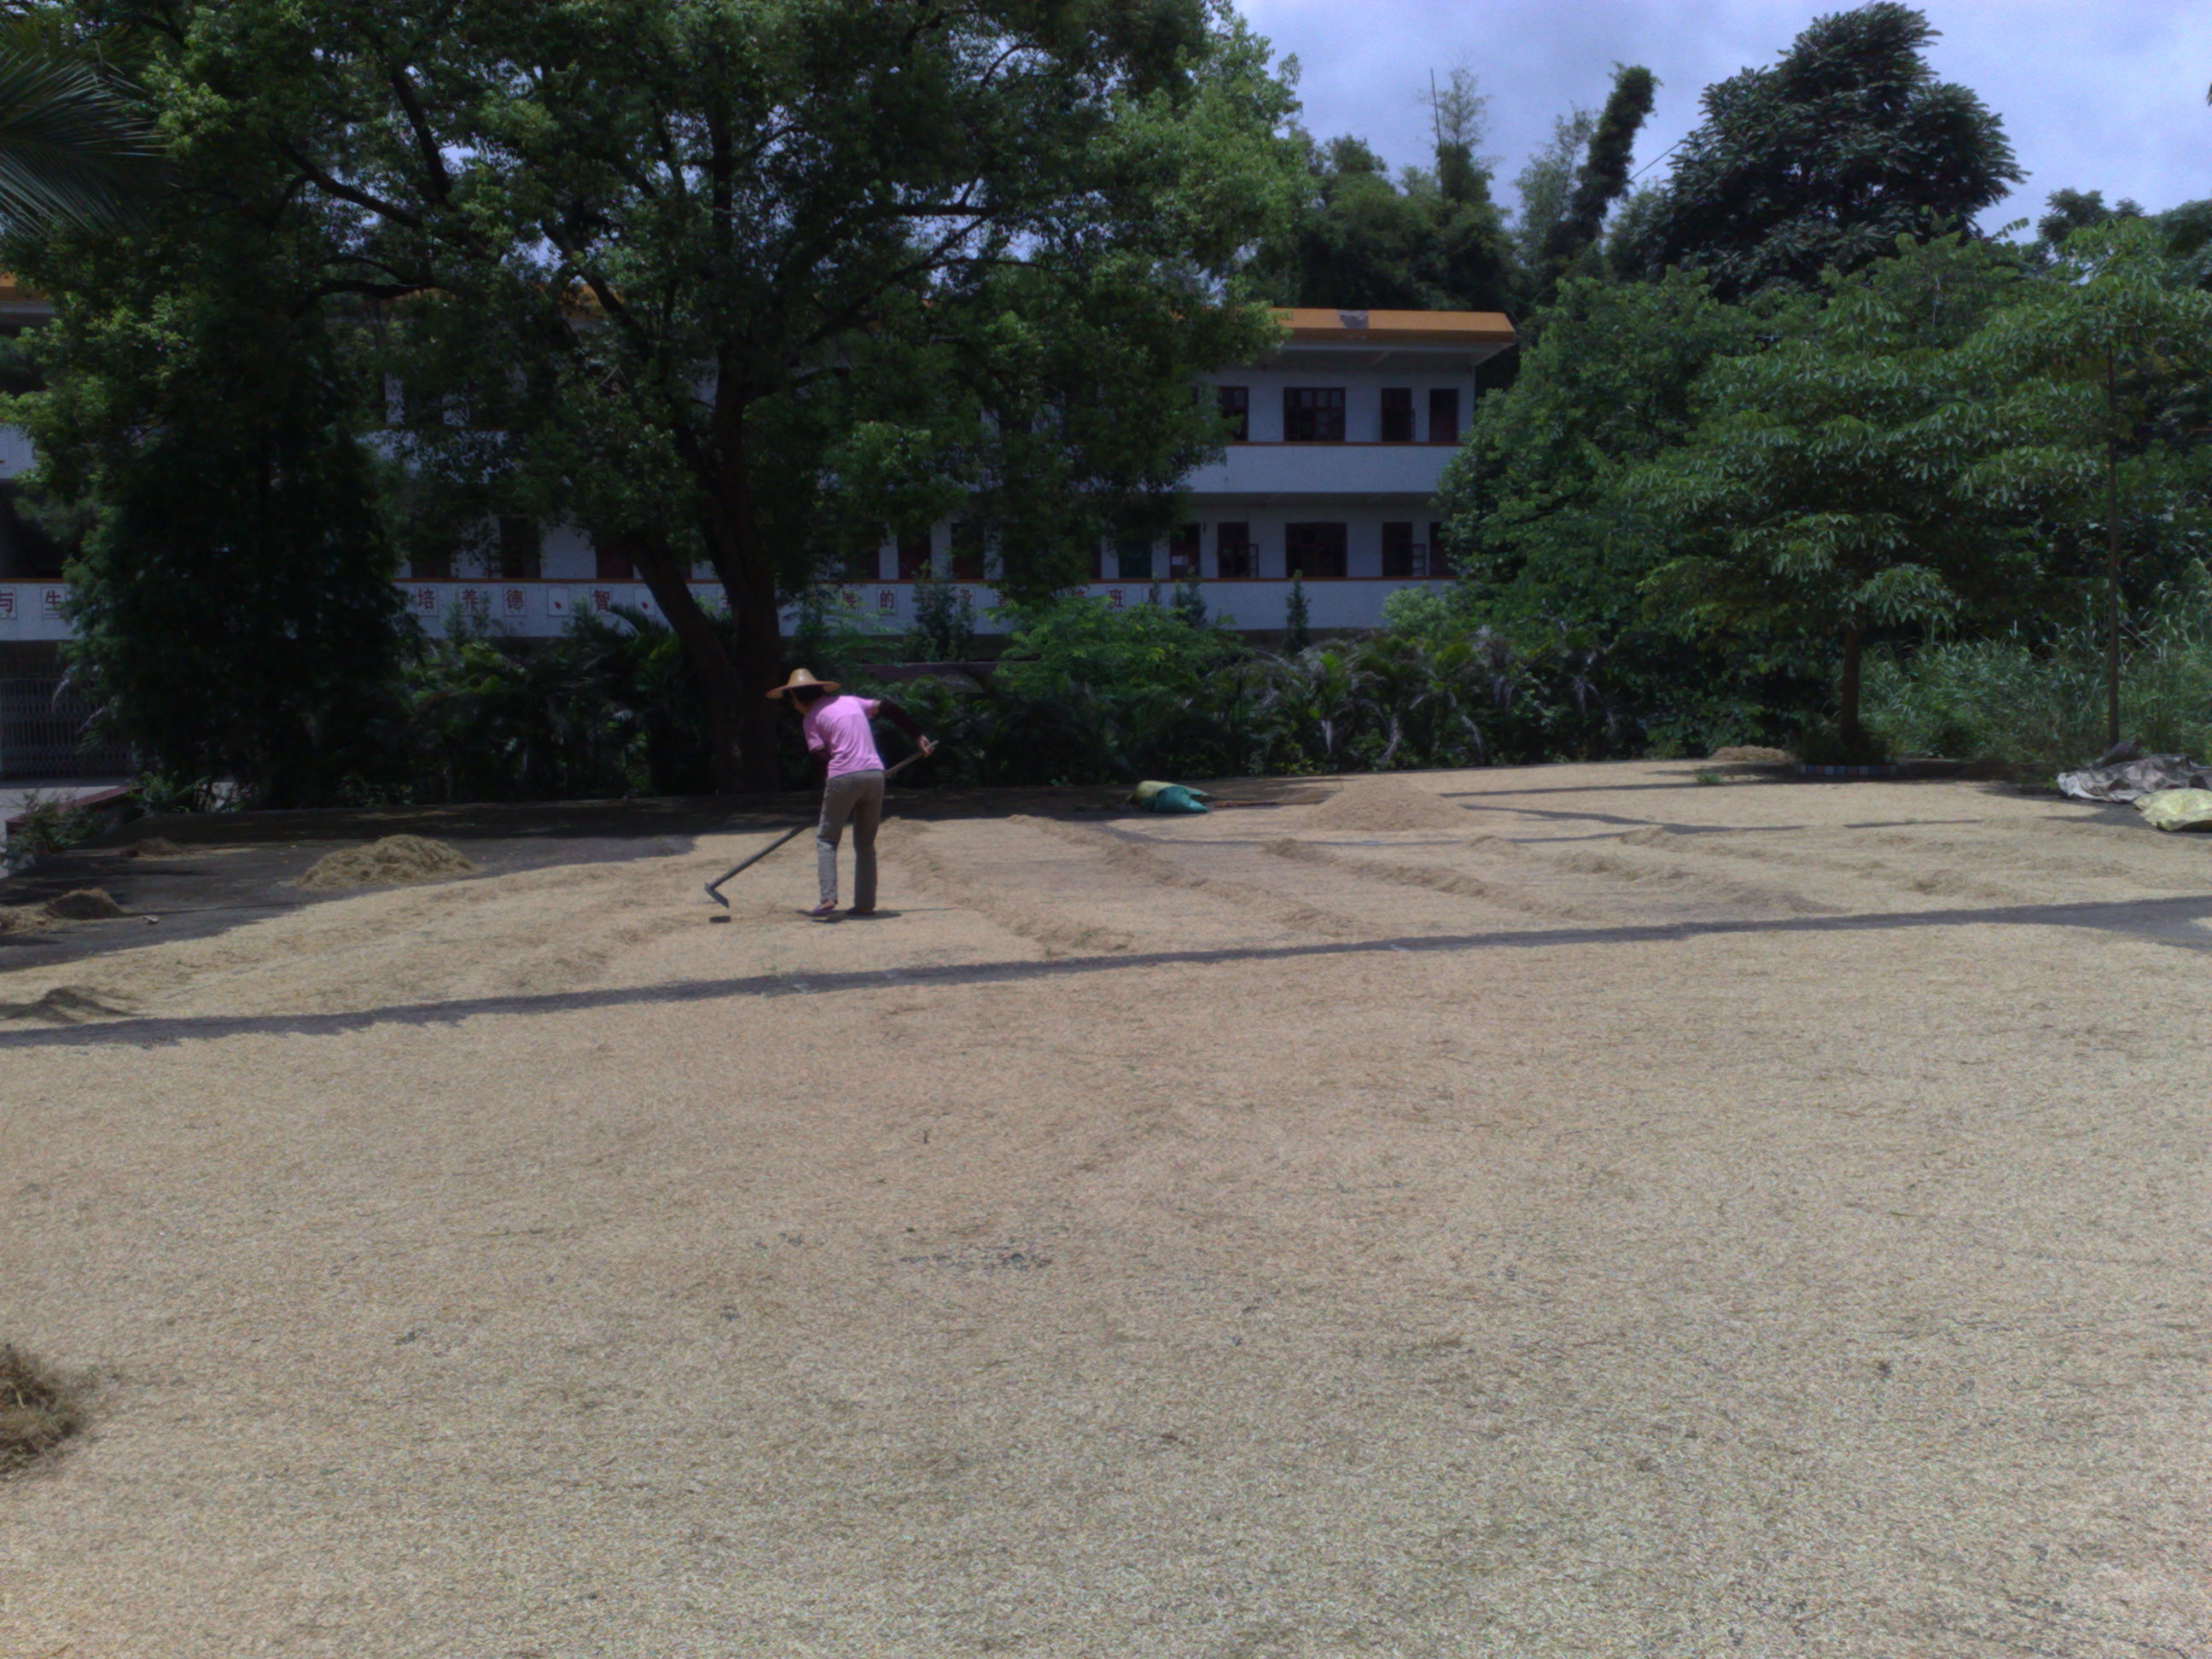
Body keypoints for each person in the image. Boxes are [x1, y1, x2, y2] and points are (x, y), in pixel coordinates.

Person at [765, 668, 935, 919]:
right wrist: (917, 735)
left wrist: (831, 787)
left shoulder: (811, 717)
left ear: (797, 698)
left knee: (827, 839)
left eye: (792, 700)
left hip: (843, 776)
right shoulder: (852, 701)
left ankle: (827, 898)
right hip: (875, 775)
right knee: (865, 843)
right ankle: (865, 904)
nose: (793, 705)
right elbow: (888, 707)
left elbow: (820, 756)